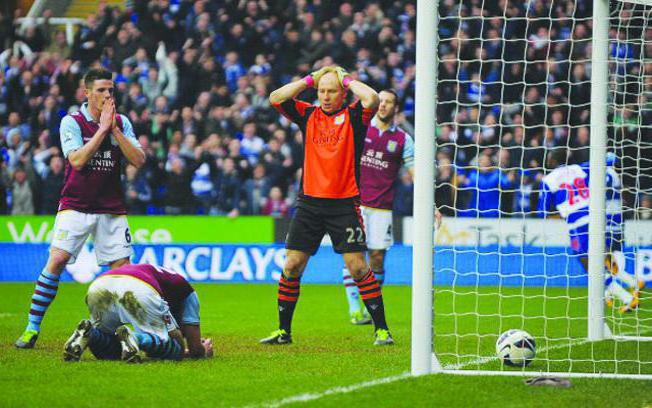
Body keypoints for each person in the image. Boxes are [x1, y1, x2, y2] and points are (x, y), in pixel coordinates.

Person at [260, 66, 393, 346]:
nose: (326, 96)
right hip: (308, 204)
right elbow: (275, 97)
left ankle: (381, 329)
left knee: (357, 268)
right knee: (293, 265)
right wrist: (310, 79)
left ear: (343, 93)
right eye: (322, 91)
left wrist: (346, 78)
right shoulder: (308, 115)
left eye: (332, 91)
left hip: (344, 204)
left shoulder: (354, 116)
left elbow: (372, 99)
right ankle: (284, 331)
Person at [15, 68, 146, 349]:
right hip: (76, 204)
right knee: (58, 260)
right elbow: (76, 160)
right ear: (86, 93)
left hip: (111, 208)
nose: (107, 95)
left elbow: (139, 159)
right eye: (101, 90)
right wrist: (101, 130)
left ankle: (115, 331)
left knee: (122, 271)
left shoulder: (121, 122)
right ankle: (31, 328)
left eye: (110, 90)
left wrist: (114, 130)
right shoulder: (71, 122)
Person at [341, 89, 441, 325]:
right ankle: (354, 307)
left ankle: (370, 303)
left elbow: (417, 174)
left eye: (388, 102)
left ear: (396, 108)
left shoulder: (403, 140)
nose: (382, 105)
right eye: (381, 101)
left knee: (377, 258)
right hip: (353, 203)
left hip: (382, 209)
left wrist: (431, 204)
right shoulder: (361, 127)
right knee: (353, 257)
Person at [538, 150, 643, 313]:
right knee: (603, 257)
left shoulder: (547, 180)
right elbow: (604, 164)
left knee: (589, 265)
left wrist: (564, 216)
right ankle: (633, 282)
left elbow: (542, 213)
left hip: (578, 223)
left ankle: (627, 298)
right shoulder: (581, 168)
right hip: (597, 217)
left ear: (550, 162)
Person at [63, 263, 213, 362]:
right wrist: (202, 350)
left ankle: (89, 333)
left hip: (100, 284)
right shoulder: (189, 295)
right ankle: (135, 338)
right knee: (176, 351)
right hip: (138, 287)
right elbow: (187, 345)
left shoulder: (166, 279)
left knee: (111, 352)